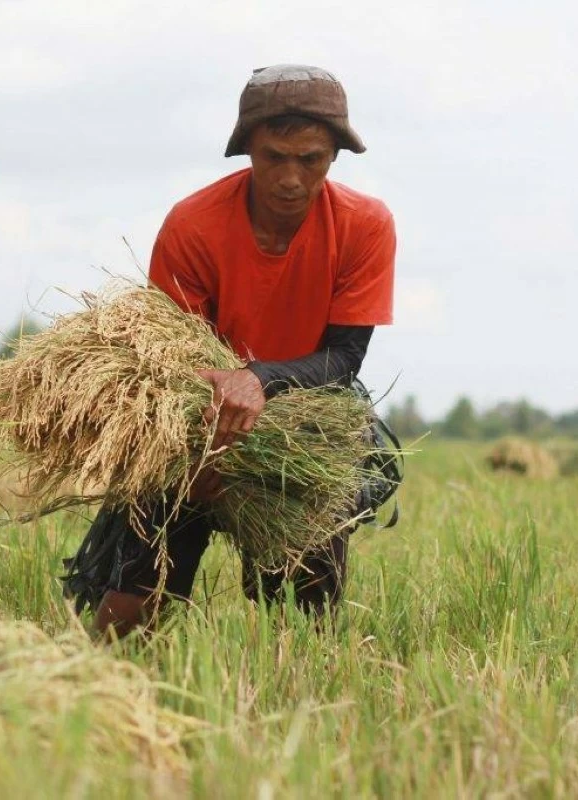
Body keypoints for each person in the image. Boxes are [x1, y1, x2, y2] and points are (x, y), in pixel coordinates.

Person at [63, 65, 397, 638]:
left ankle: (290, 703)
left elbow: (344, 358)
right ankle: (91, 694)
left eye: (310, 159)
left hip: (303, 421)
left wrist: (257, 379)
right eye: (274, 157)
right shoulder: (194, 224)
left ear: (335, 157)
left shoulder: (365, 225)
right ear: (247, 151)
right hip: (196, 415)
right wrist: (201, 453)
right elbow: (168, 360)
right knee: (135, 593)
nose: (291, 178)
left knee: (302, 607)